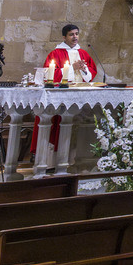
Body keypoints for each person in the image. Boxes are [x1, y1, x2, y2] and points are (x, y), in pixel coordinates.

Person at [30, 23, 100, 165]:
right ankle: (53, 163)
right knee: (58, 127)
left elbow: (91, 74)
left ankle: (77, 162)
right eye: (71, 34)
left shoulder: (84, 54)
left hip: (80, 97)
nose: (75, 37)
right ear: (64, 37)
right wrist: (72, 68)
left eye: (76, 34)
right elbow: (49, 75)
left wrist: (84, 70)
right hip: (61, 98)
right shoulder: (56, 54)